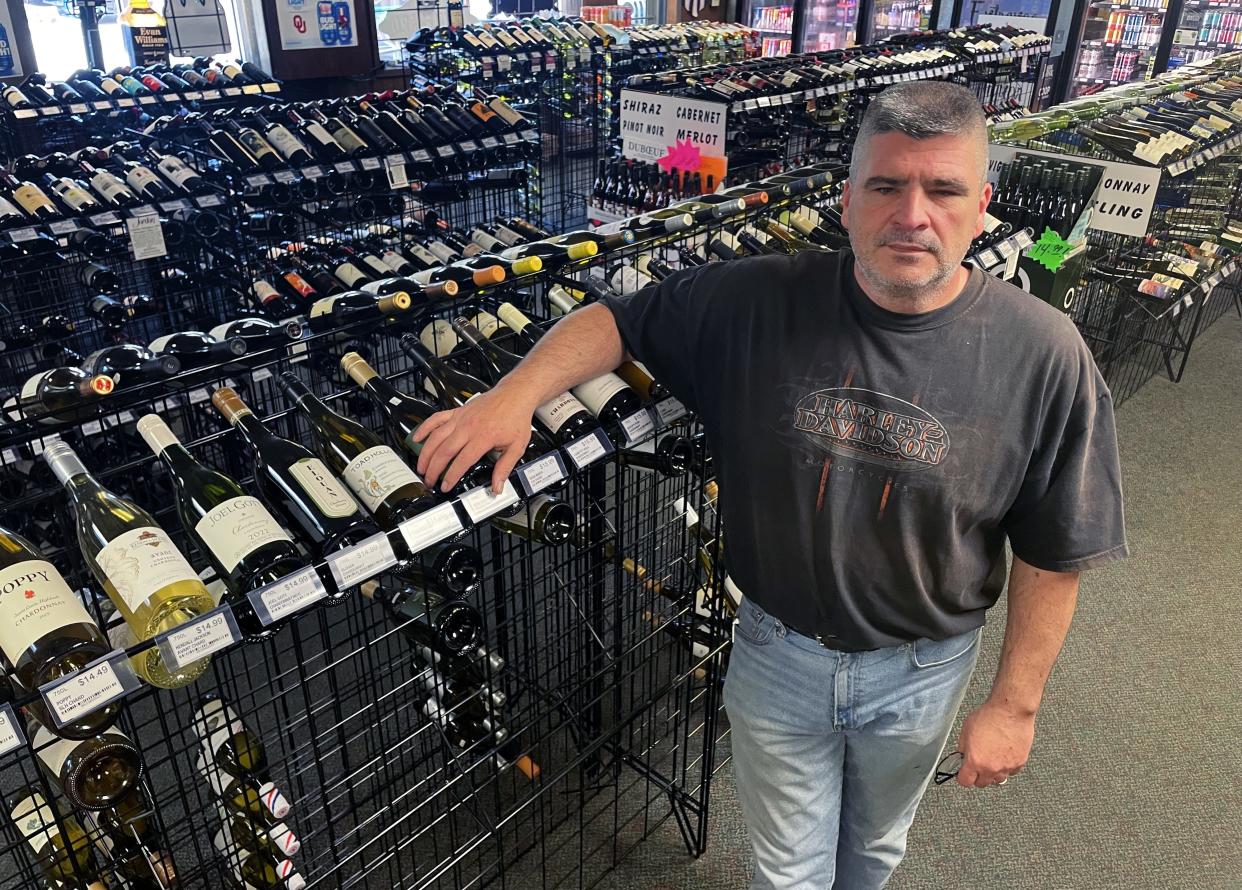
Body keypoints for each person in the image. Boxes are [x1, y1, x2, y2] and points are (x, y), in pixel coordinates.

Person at [410, 80, 1129, 889]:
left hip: (923, 672)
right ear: (850, 195)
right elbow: (615, 320)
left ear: (982, 203)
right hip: (774, 655)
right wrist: (514, 394)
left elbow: (1055, 548)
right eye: (887, 185)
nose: (912, 214)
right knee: (788, 871)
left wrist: (1016, 704)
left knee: (873, 852)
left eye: (943, 190)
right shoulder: (757, 298)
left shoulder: (1045, 352)